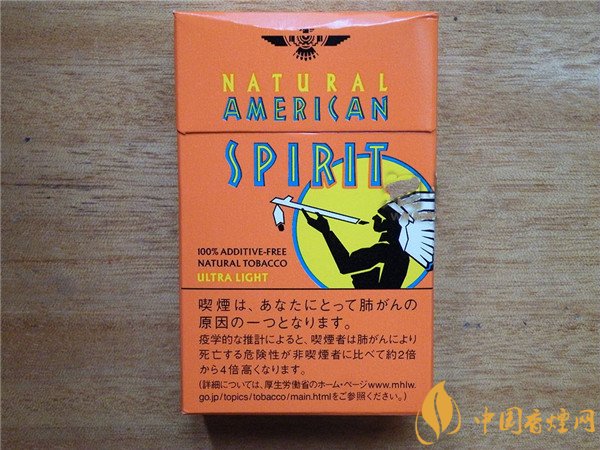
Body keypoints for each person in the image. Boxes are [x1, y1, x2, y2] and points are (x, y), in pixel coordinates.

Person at [302, 204, 410, 288]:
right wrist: (326, 232)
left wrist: (326, 232)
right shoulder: (395, 254)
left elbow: (346, 265)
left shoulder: (389, 253)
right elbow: (346, 265)